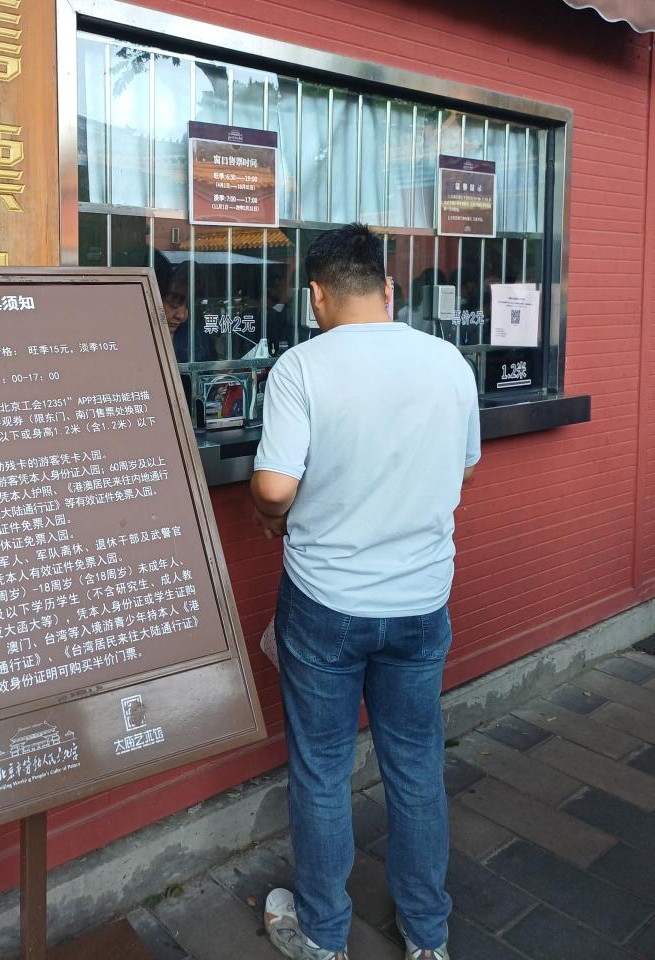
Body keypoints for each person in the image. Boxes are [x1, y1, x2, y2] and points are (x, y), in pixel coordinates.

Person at [252, 223, 480, 960]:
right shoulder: (448, 361)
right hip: (421, 601)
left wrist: (269, 517)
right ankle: (427, 936)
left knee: (322, 769)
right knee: (415, 765)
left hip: (327, 603)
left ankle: (323, 935)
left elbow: (275, 487)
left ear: (316, 295)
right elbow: (464, 467)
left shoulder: (301, 366)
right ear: (387, 288)